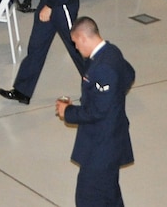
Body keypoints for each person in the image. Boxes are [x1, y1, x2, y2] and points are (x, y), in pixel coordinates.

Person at [55, 17, 135, 207]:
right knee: (109, 195)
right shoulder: (112, 51)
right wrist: (113, 98)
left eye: (75, 42)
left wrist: (68, 111)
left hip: (102, 145)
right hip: (112, 137)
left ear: (83, 38)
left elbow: (97, 111)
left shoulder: (102, 68)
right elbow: (129, 73)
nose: (76, 48)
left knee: (88, 197)